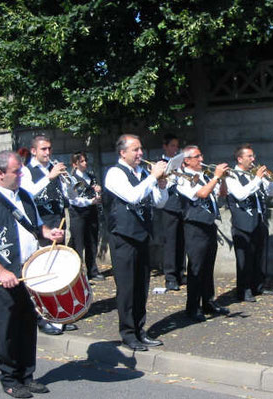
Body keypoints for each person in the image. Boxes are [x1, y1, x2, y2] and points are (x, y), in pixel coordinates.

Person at [0, 150, 64, 398]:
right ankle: (10, 378)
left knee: (28, 324)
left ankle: (27, 375)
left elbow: (35, 225)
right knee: (9, 328)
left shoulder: (25, 196)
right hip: (4, 277)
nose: (21, 174)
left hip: (30, 273)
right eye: (16, 171)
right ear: (0, 174)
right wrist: (0, 271)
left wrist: (48, 233)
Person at [104, 134, 168, 351]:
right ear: (123, 153)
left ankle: (141, 330)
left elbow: (159, 203)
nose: (141, 153)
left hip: (142, 235)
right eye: (135, 150)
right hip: (123, 237)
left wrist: (161, 184)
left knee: (142, 285)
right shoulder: (114, 173)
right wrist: (152, 178)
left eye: (141, 149)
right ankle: (128, 333)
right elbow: (132, 196)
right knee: (127, 287)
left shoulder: (142, 173)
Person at [20, 136, 77, 335]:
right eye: (43, 149)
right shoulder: (27, 171)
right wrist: (49, 177)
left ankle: (58, 315)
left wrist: (70, 184)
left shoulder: (52, 168)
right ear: (33, 151)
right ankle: (41, 317)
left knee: (58, 272)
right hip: (40, 227)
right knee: (42, 275)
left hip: (58, 223)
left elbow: (68, 196)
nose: (48, 152)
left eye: (49, 148)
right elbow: (28, 195)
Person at [177, 145, 230, 322]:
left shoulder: (204, 176)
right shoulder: (182, 177)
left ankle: (208, 302)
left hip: (208, 224)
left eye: (201, 155)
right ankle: (192, 308)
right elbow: (201, 193)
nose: (201, 159)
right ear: (187, 160)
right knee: (196, 268)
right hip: (194, 226)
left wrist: (222, 179)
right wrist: (215, 176)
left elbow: (222, 194)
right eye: (197, 157)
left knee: (208, 267)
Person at [226, 144, 273, 302]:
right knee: (244, 258)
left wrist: (272, 181)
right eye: (249, 156)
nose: (253, 159)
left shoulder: (253, 175)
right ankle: (244, 290)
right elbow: (241, 194)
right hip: (242, 222)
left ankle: (258, 286)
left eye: (253, 156)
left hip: (259, 220)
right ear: (240, 158)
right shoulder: (231, 175)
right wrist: (257, 178)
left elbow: (271, 192)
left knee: (259, 256)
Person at [68, 151, 104, 281]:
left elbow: (94, 191)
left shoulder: (90, 176)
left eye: (85, 161)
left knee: (92, 242)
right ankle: (77, 274)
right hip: (78, 214)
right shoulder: (72, 178)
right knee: (78, 244)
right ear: (75, 164)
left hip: (91, 212)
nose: (85, 163)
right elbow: (73, 199)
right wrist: (90, 201)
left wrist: (97, 191)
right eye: (81, 161)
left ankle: (92, 271)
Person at [160, 134, 186, 290]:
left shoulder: (179, 163)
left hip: (181, 204)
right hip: (168, 204)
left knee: (182, 240)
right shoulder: (160, 164)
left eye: (176, 146)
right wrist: (172, 174)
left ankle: (181, 273)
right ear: (165, 146)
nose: (174, 149)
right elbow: (163, 185)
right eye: (172, 146)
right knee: (170, 242)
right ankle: (170, 277)